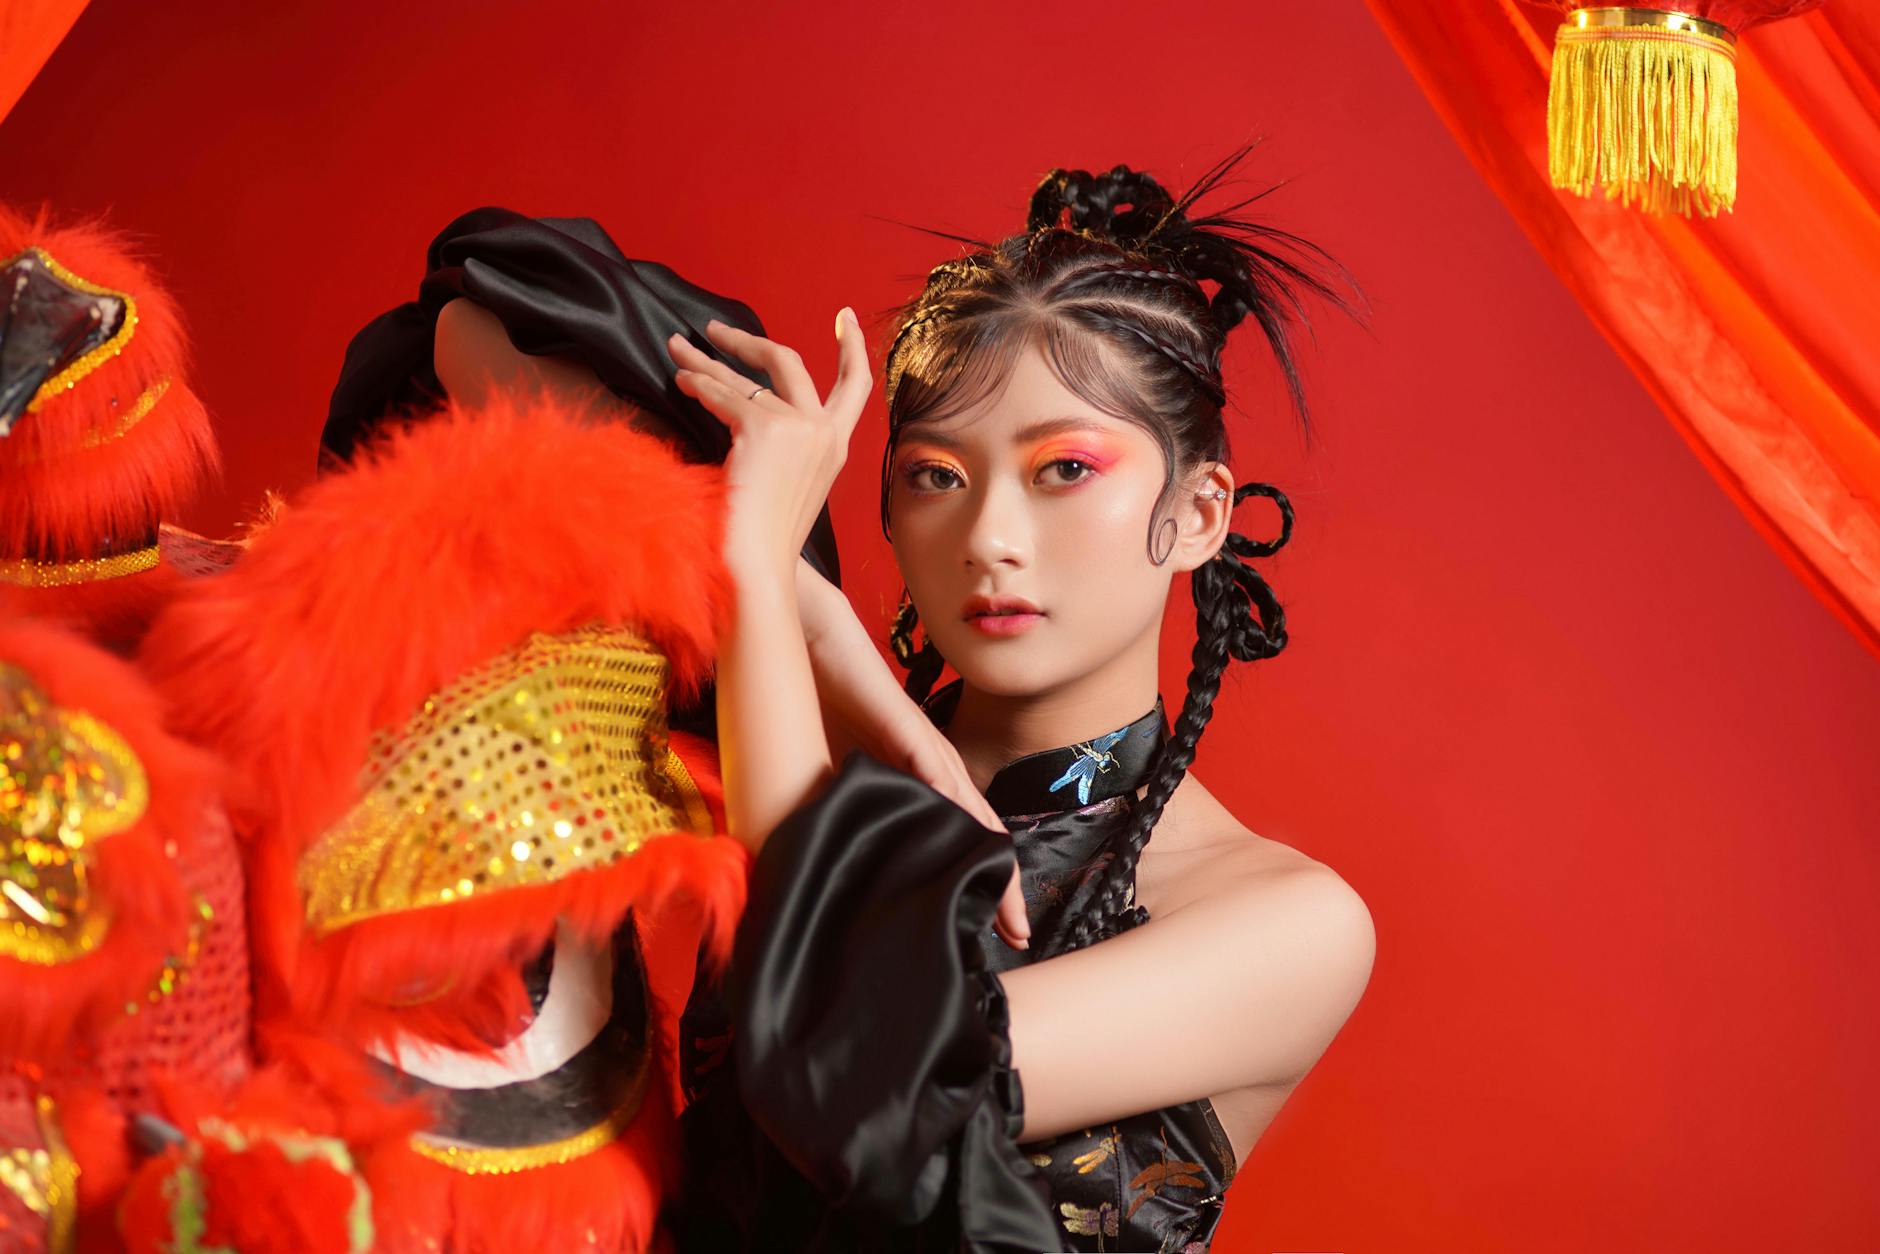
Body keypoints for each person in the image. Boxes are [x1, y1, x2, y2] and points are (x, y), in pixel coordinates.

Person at [669, 154, 1375, 1252]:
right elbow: (486, 310)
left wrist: (770, 586)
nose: (989, 538)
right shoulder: (809, 728)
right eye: (934, 476)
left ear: (1196, 514)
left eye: (1062, 471)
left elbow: (845, 1080)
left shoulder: (1287, 922)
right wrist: (841, 658)